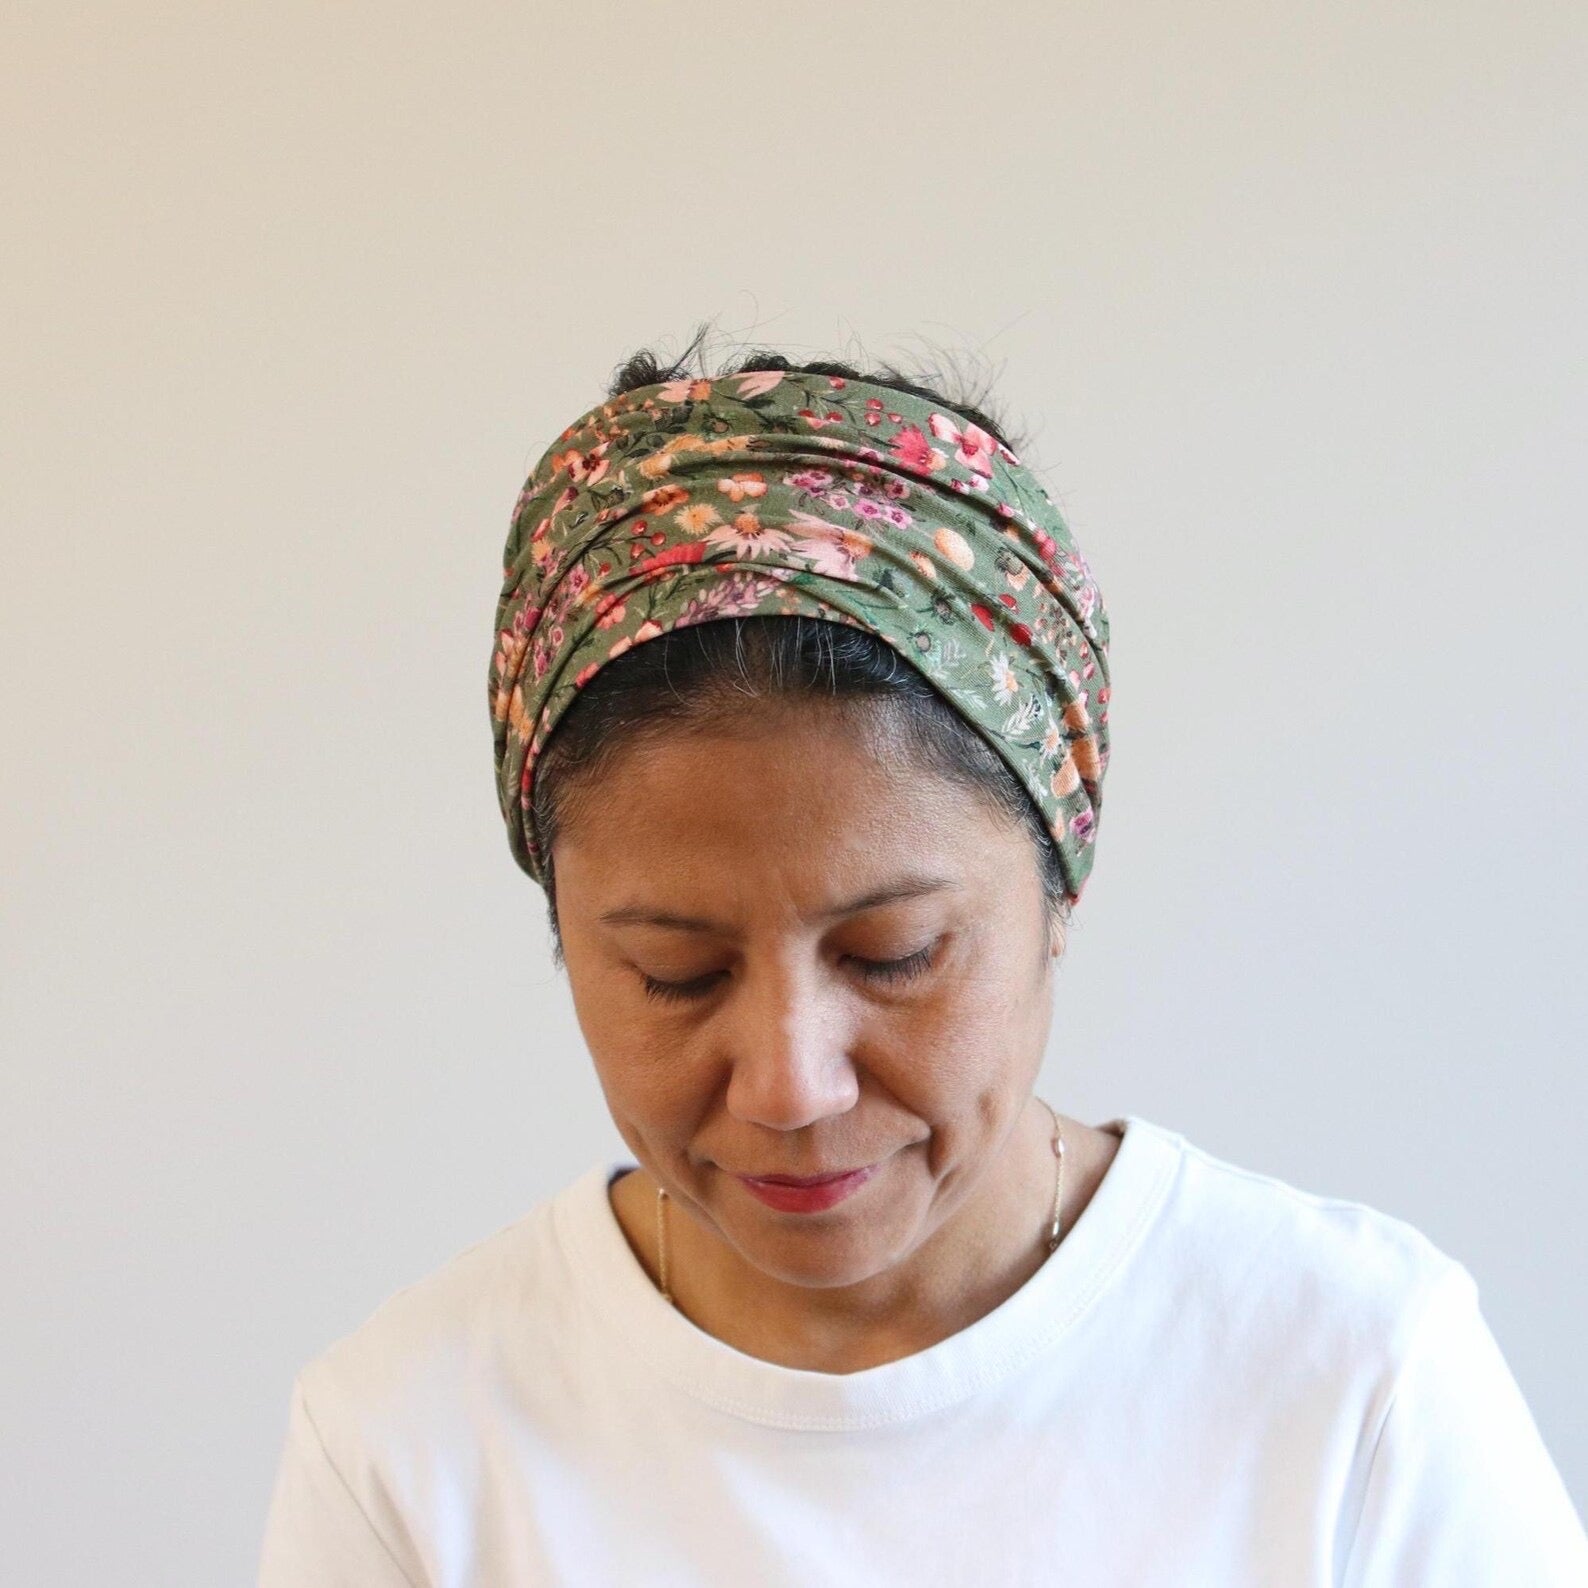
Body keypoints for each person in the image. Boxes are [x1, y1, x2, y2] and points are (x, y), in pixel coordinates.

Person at [257, 334, 1588, 1585]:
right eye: (677, 973)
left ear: (1058, 886)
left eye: (894, 955)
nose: (790, 1085)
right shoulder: (410, 1446)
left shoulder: (1350, 1381)